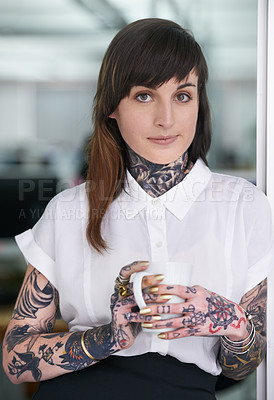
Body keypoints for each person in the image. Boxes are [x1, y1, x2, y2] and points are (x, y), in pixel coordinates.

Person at [2, 18, 273, 400]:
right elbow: (15, 360)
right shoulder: (69, 211)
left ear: (199, 103)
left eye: (182, 96)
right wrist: (109, 337)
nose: (166, 119)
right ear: (112, 105)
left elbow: (246, 364)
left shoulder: (244, 207)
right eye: (145, 96)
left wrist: (230, 321)